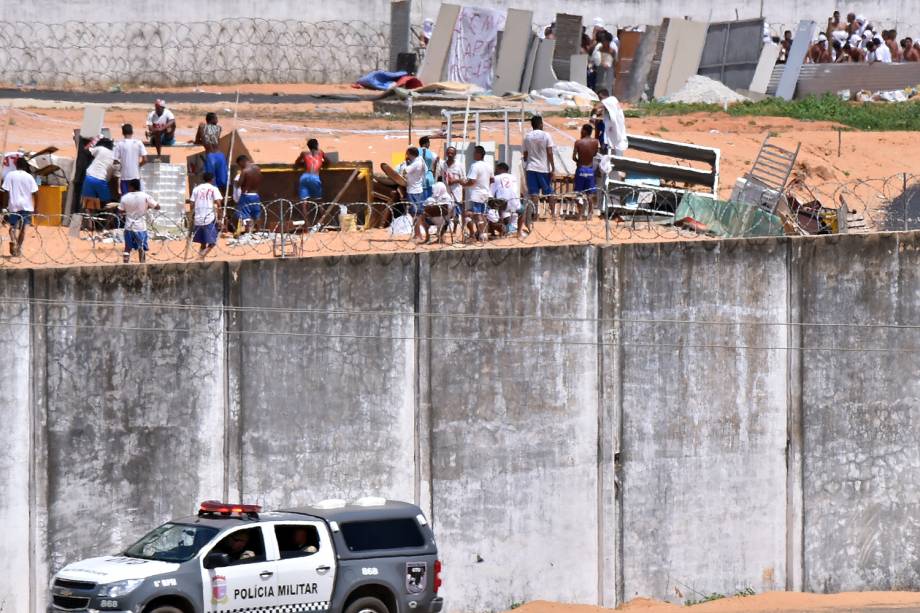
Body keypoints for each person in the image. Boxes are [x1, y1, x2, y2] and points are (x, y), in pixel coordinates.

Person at [117, 178, 160, 264]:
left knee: (127, 248)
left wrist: (128, 211)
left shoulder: (125, 197)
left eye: (129, 186)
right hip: (141, 227)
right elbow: (157, 207)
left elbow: (120, 211)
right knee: (141, 248)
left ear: (132, 187)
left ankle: (125, 265)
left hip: (129, 227)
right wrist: (147, 207)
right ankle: (142, 265)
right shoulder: (145, 196)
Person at [1, 157, 38, 256]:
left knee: (12, 227)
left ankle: (13, 240)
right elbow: (35, 193)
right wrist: (36, 207)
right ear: (25, 166)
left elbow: (5, 191)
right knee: (23, 228)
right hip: (26, 205)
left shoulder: (10, 175)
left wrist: (4, 205)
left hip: (13, 204)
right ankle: (19, 248)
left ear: (16, 165)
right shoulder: (29, 177)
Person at [522, 116, 555, 216]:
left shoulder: (527, 137)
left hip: (531, 168)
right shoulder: (546, 136)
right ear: (541, 124)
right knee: (549, 192)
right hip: (543, 168)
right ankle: (553, 214)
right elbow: (550, 152)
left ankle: (535, 214)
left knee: (534, 193)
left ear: (532, 125)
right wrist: (553, 168)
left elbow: (525, 154)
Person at [461, 145, 492, 242]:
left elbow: (472, 182)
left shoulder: (475, 166)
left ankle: (481, 235)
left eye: (475, 152)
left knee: (477, 214)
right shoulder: (488, 165)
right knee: (482, 214)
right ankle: (482, 233)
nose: (473, 154)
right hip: (485, 193)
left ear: (479, 154)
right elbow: (492, 179)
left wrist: (462, 183)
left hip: (476, 194)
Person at [188, 171, 222, 259]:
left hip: (198, 218)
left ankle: (200, 258)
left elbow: (191, 204)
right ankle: (201, 257)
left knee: (203, 242)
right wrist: (220, 219)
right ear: (213, 179)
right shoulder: (214, 189)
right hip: (209, 218)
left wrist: (192, 216)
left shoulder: (196, 189)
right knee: (213, 241)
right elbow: (219, 204)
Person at [195, 112, 228, 193]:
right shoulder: (219, 128)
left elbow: (197, 141)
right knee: (222, 181)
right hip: (220, 156)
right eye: (216, 118)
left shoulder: (202, 127)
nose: (217, 120)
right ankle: (221, 200)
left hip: (210, 156)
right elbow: (214, 139)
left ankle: (213, 199)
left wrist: (201, 141)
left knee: (210, 180)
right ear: (211, 119)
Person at [573, 124, 600, 218]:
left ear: (585, 131)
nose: (580, 132)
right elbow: (594, 154)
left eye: (582, 130)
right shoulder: (595, 142)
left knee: (579, 193)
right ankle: (590, 213)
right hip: (590, 170)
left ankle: (580, 214)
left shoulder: (578, 142)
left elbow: (573, 157)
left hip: (580, 169)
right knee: (590, 194)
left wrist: (578, 161)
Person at [114, 124, 147, 198]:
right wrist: (138, 166)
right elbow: (145, 159)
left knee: (125, 199)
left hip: (125, 177)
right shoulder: (138, 143)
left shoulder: (119, 144)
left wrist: (122, 165)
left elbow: (115, 161)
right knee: (137, 198)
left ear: (123, 133)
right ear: (132, 132)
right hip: (136, 176)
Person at [490, 161, 522, 237]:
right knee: (522, 210)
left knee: (495, 211)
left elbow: (491, 192)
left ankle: (502, 231)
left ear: (501, 169)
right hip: (515, 202)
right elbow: (515, 190)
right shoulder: (513, 177)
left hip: (502, 203)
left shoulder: (496, 178)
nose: (495, 171)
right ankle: (519, 231)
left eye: (496, 169)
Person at [81, 138, 116, 206]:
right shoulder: (114, 156)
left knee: (89, 204)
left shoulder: (100, 148)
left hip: (89, 176)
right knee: (107, 203)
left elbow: (88, 150)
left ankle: (90, 215)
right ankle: (106, 215)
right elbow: (109, 176)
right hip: (101, 180)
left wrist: (90, 142)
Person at [234, 155, 262, 236]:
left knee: (244, 214)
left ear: (242, 161)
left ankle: (247, 232)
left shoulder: (245, 171)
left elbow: (239, 184)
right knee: (256, 213)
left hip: (246, 195)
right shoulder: (257, 169)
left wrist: (236, 183)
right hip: (256, 195)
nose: (240, 167)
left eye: (239, 165)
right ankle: (258, 231)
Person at [437, 145, 466, 211]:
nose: (450, 155)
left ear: (455, 154)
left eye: (452, 153)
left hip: (457, 195)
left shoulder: (459, 165)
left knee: (457, 215)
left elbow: (464, 180)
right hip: (446, 195)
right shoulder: (443, 165)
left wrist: (455, 181)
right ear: (446, 154)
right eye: (448, 153)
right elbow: (439, 178)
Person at [402, 146, 427, 216]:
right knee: (418, 212)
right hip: (418, 189)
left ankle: (415, 225)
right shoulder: (420, 160)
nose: (407, 156)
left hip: (412, 191)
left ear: (410, 154)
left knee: (414, 213)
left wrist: (405, 163)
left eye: (407, 154)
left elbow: (404, 171)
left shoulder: (415, 164)